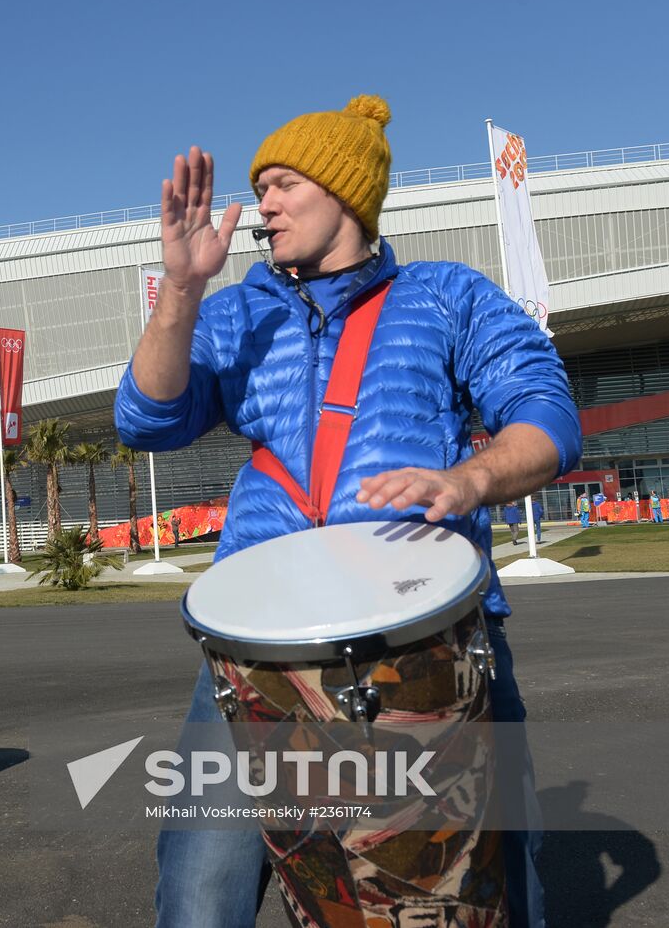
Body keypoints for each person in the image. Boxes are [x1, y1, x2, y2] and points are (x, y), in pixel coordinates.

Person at [114, 94, 580, 928]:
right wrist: (182, 289)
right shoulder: (239, 309)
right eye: (261, 188)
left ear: (346, 193)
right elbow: (144, 418)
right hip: (253, 656)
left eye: (285, 183)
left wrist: (470, 480)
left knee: (498, 880)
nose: (264, 204)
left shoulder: (445, 297)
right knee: (200, 890)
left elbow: (547, 415)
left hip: (428, 640)